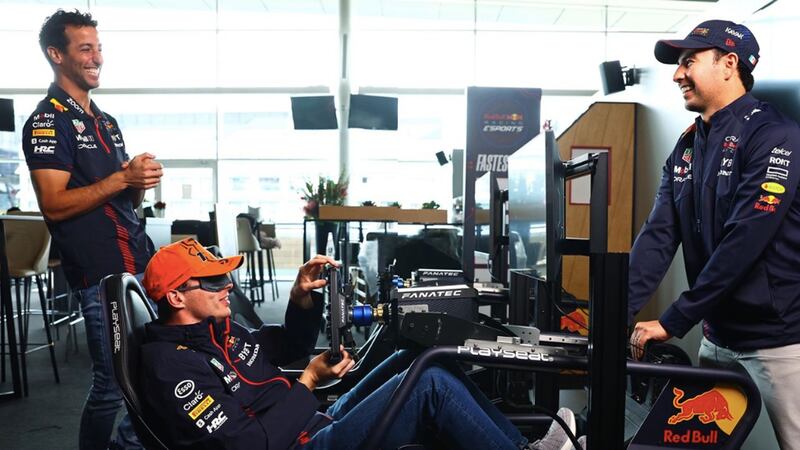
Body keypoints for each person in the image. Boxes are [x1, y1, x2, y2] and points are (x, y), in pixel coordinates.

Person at [139, 238, 576, 450]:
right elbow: (248, 445)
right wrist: (308, 383)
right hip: (300, 444)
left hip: (311, 420)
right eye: (212, 281)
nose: (227, 286)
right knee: (432, 386)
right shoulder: (171, 367)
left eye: (224, 275)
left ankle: (523, 447)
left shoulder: (217, 331)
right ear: (176, 298)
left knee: (421, 358)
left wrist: (301, 298)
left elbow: (289, 345)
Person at [628, 20, 800, 449]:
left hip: (779, 342)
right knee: (690, 444)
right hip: (717, 339)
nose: (677, 74)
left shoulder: (775, 136)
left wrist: (673, 320)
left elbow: (744, 242)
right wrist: (610, 314)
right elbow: (658, 236)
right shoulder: (688, 146)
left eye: (689, 61)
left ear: (729, 64)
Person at [22, 9, 163, 450]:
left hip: (137, 260)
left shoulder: (106, 122)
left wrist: (136, 182)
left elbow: (123, 200)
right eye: (85, 49)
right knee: (113, 385)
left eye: (98, 48)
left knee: (152, 371)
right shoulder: (47, 121)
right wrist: (122, 178)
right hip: (101, 272)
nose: (96, 58)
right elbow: (53, 204)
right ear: (56, 54)